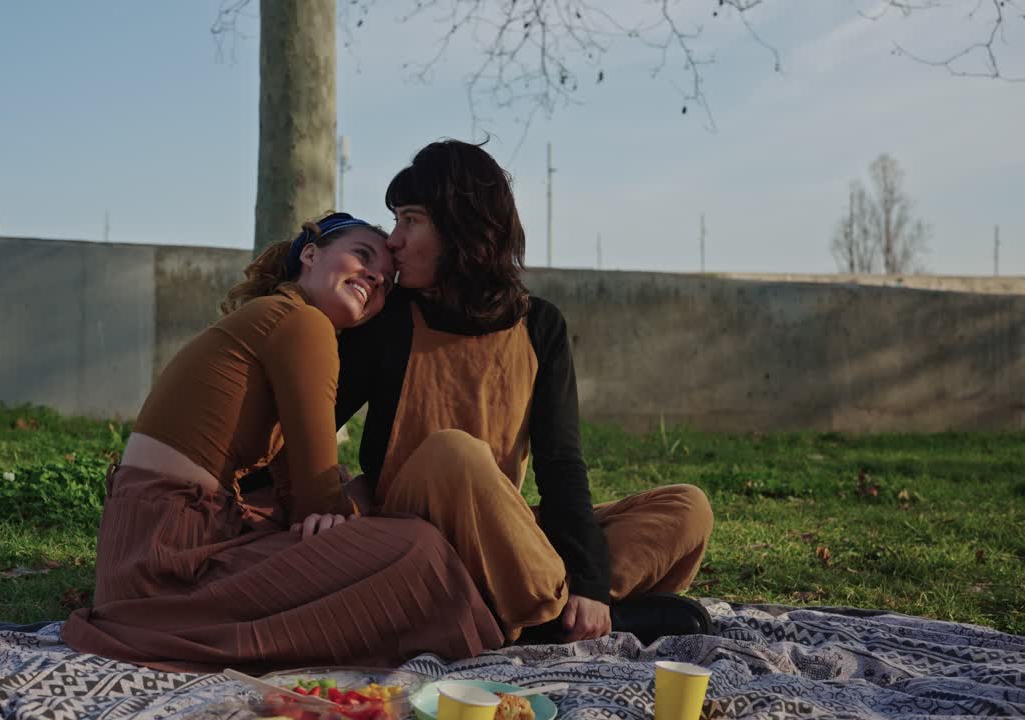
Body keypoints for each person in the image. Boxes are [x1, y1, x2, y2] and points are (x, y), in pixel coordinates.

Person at [61, 212, 504, 673]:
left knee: (366, 500)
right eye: (362, 255)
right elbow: (316, 497)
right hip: (169, 563)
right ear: (310, 255)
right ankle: (489, 627)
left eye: (387, 282)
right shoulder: (302, 324)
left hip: (142, 551)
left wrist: (340, 507)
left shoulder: (279, 319)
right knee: (417, 547)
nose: (375, 277)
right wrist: (345, 514)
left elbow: (299, 487)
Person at [336, 142, 715, 645]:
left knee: (687, 508)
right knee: (457, 452)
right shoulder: (388, 318)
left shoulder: (539, 325)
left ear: (460, 227)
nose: (394, 240)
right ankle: (556, 615)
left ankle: (551, 613)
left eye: (411, 220)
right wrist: (336, 489)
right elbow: (317, 415)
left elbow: (559, 462)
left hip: (504, 536)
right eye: (396, 221)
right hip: (414, 538)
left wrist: (592, 583)